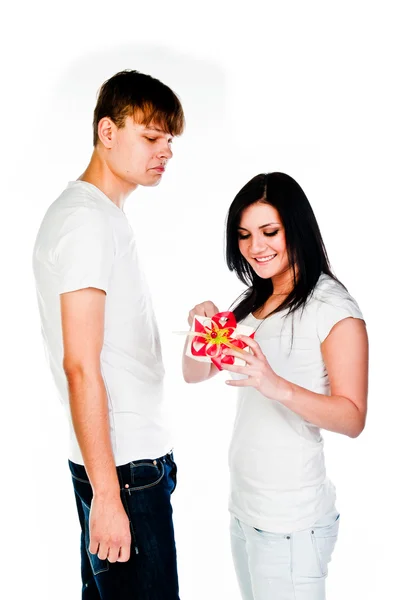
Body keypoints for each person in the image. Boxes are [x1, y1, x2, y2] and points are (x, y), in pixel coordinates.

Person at [32, 69, 185, 600]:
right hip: (122, 472)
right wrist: (107, 495)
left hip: (126, 466)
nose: (164, 151)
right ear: (107, 132)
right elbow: (80, 364)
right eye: (150, 137)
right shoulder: (87, 222)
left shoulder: (103, 216)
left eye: (169, 140)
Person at [182, 172, 368, 600]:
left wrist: (276, 385)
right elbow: (195, 375)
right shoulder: (252, 302)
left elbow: (353, 418)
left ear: (296, 228)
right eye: (244, 235)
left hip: (291, 525)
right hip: (246, 511)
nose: (255, 247)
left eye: (270, 232)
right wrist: (198, 331)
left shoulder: (333, 309)